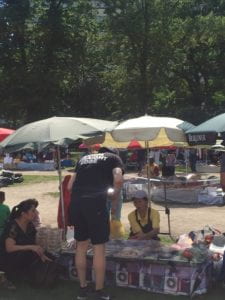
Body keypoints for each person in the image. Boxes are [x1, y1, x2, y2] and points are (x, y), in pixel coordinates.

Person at [68, 146, 124, 300]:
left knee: (81, 245)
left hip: (76, 204)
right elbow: (118, 180)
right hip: (96, 205)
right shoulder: (114, 159)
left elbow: (69, 186)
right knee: (99, 247)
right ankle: (99, 291)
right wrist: (113, 197)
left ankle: (83, 288)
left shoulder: (83, 159)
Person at [0, 199, 60, 286]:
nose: (36, 213)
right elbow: (9, 248)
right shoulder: (13, 227)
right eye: (33, 211)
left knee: (49, 256)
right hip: (9, 258)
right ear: (23, 214)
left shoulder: (30, 226)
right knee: (26, 254)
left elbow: (34, 244)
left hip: (24, 254)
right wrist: (31, 247)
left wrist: (41, 254)